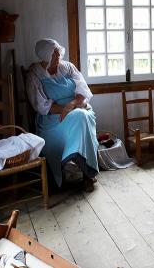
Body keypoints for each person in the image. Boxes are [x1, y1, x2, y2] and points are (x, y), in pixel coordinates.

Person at [26, 38, 99, 192]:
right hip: (54, 119)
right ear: (45, 56)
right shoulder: (35, 75)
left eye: (59, 53)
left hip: (78, 108)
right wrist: (65, 109)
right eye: (54, 55)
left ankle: (83, 169)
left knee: (82, 116)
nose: (58, 57)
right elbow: (42, 106)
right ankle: (87, 172)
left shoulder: (68, 67)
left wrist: (70, 106)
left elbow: (83, 91)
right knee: (81, 117)